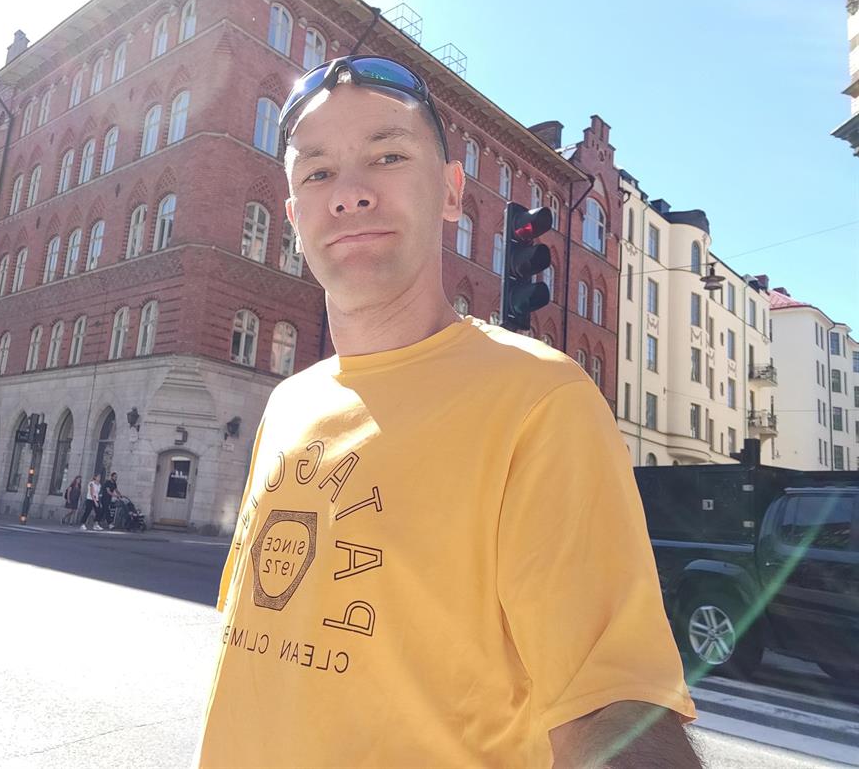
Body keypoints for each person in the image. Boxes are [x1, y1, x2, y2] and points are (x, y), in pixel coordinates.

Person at [196, 56, 698, 768]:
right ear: (293, 218)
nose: (350, 194)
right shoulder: (288, 403)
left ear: (453, 193)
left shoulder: (537, 400)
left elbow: (613, 709)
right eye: (318, 172)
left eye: (388, 156)